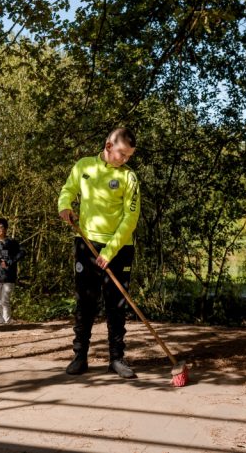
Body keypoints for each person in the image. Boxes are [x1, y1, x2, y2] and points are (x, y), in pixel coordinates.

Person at [57, 128, 141, 379]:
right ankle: (79, 356)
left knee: (116, 304)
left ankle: (116, 358)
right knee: (85, 302)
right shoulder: (84, 166)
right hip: (86, 243)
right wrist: (64, 207)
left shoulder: (130, 178)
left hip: (119, 248)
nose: (125, 160)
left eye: (129, 156)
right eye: (122, 154)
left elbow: (131, 218)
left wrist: (110, 250)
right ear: (108, 146)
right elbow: (67, 190)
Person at [0, 217, 25, 324]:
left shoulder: (12, 242)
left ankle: (7, 321)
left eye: (1, 227)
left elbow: (22, 252)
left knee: (5, 301)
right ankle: (0, 322)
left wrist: (11, 261)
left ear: (6, 228)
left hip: (9, 277)